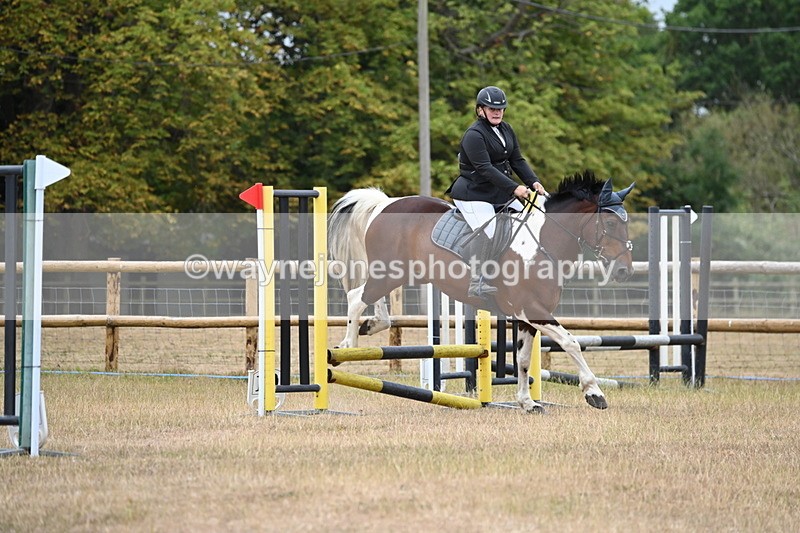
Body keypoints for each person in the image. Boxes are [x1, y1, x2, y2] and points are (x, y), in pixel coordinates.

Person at [448, 85, 548, 299]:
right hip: (473, 193)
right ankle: (477, 281)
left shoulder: (506, 129)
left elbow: (517, 160)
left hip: (498, 192)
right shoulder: (473, 135)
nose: (497, 112)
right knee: (489, 228)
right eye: (491, 108)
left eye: (500, 109)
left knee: (529, 219)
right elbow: (485, 169)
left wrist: (533, 182)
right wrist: (514, 187)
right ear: (480, 110)